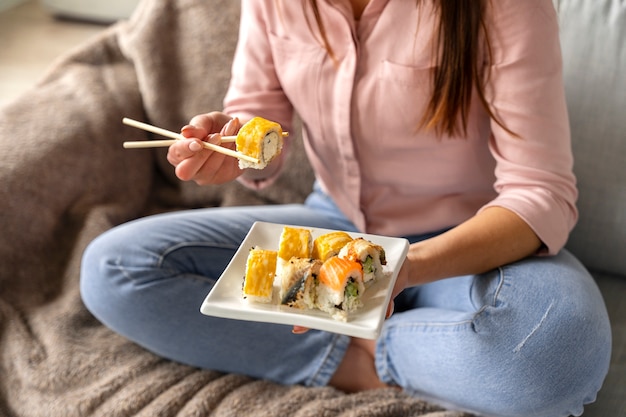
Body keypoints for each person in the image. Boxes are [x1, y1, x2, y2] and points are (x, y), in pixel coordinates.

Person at [80, 1, 612, 416]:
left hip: (478, 247)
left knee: (554, 357)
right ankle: (369, 359)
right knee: (114, 269)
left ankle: (376, 339)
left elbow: (542, 194)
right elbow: (260, 114)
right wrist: (233, 145)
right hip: (336, 230)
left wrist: (403, 270)